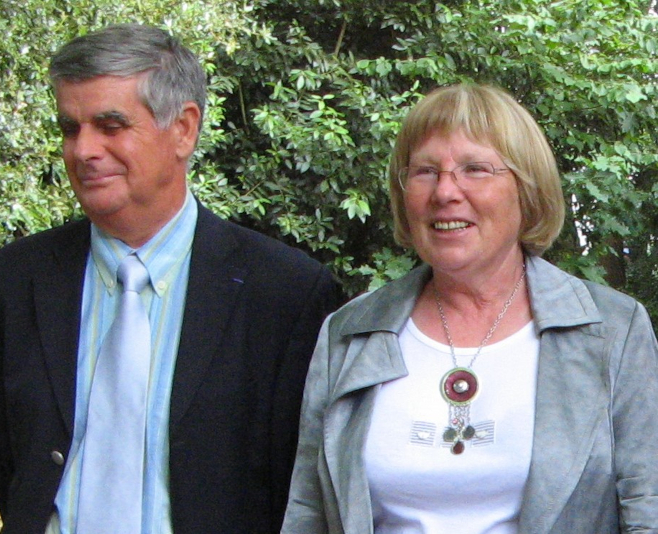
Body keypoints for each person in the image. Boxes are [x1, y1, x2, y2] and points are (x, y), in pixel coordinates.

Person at [0, 23, 342, 534]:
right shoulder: (8, 285)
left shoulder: (286, 294)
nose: (84, 151)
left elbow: (296, 489)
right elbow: (15, 470)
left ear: (184, 129)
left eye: (110, 125)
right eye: (70, 128)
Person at [281, 83, 658, 533]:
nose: (445, 191)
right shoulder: (349, 332)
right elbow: (308, 514)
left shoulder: (612, 330)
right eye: (424, 171)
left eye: (475, 169)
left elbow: (647, 505)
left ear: (526, 188)